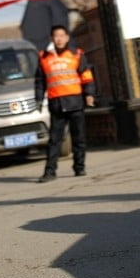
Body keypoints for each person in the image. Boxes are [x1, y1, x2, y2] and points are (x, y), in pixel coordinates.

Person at [35, 25, 96, 182]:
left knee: (79, 138)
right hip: (56, 103)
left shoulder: (76, 54)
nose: (59, 39)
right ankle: (50, 172)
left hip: (75, 101)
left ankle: (79, 167)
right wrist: (38, 98)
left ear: (67, 37)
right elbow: (40, 81)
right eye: (56, 36)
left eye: (62, 35)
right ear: (51, 39)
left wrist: (89, 94)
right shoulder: (44, 57)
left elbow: (86, 75)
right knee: (55, 140)